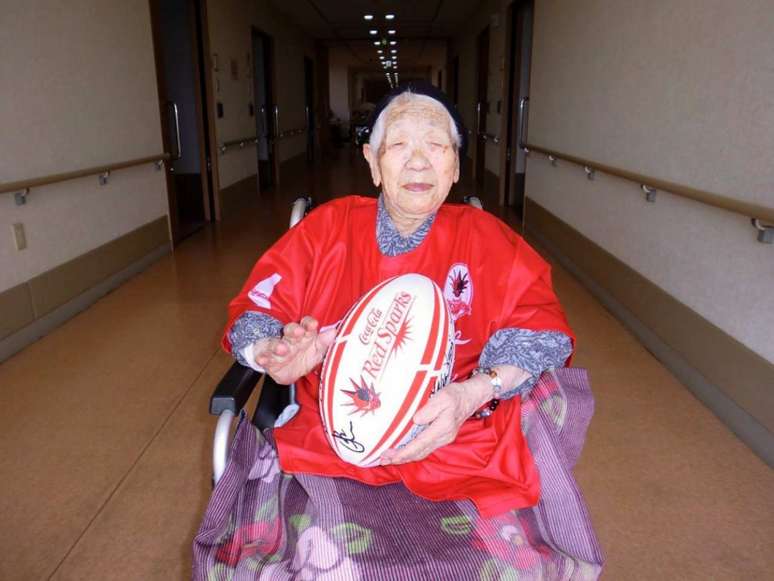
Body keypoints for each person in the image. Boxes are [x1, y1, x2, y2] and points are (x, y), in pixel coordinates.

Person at [193, 83, 603, 580]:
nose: (417, 162)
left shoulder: (488, 238)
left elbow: (540, 332)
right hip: (331, 437)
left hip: (460, 435)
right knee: (330, 566)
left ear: (455, 165)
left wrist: (476, 391)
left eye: (435, 145)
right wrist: (275, 350)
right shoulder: (327, 230)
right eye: (399, 144)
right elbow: (257, 311)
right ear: (372, 161)